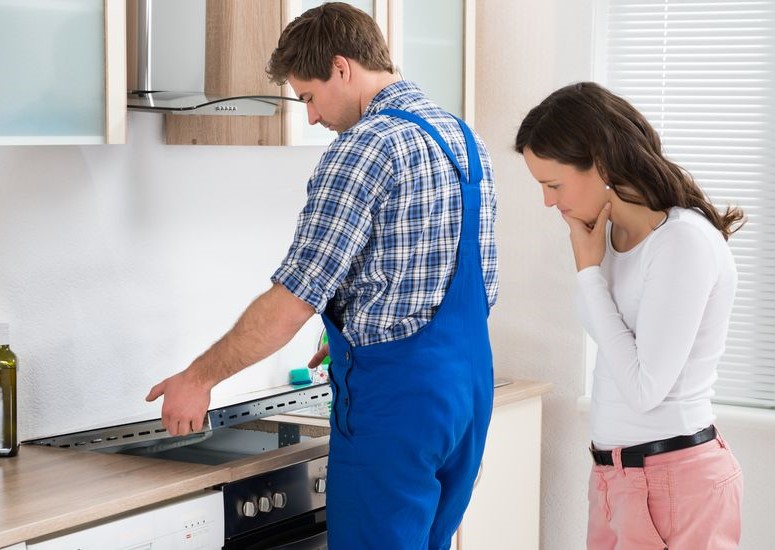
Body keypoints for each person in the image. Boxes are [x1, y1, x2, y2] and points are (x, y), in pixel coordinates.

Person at [146, 3, 498, 548]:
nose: (310, 118)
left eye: (308, 97)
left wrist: (198, 379)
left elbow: (291, 302)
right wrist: (356, 333)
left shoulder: (362, 149)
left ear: (341, 68)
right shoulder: (463, 140)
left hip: (394, 407)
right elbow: (448, 279)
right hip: (466, 397)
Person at [516, 81, 744, 548]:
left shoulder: (683, 243)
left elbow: (645, 389)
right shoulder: (611, 240)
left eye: (553, 184)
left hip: (674, 482)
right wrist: (592, 267)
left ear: (600, 163)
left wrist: (587, 273)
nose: (548, 202)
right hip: (616, 478)